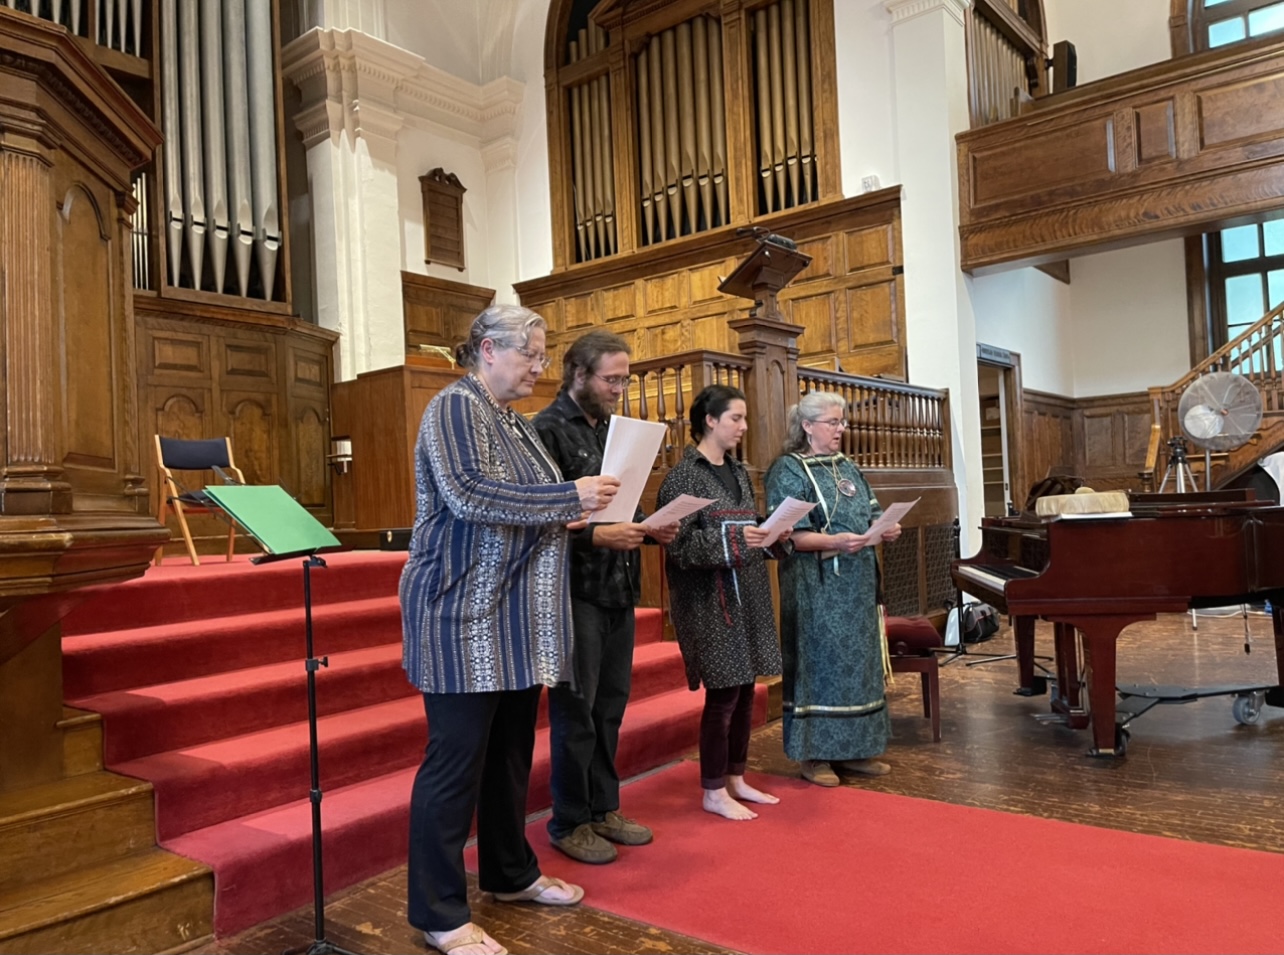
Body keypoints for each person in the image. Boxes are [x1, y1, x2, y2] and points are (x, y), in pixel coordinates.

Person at [400, 305, 620, 955]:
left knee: (508, 758)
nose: (540, 366)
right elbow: (469, 492)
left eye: (543, 353)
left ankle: (508, 872)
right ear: (488, 350)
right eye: (531, 353)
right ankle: (438, 911)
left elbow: (531, 503)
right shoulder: (453, 407)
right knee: (455, 764)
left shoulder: (514, 423)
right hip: (461, 614)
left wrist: (574, 510)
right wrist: (568, 499)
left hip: (516, 622)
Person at [533, 330, 679, 864]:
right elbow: (540, 519)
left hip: (616, 584)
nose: (620, 388)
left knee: (611, 706)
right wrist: (598, 535)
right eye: (611, 378)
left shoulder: (611, 431)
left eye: (624, 378)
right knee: (578, 709)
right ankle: (568, 820)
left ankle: (602, 807)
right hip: (573, 590)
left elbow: (614, 507)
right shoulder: (545, 431)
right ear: (578, 374)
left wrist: (647, 526)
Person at [656, 384, 787, 822]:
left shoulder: (738, 471)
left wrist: (771, 534)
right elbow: (678, 546)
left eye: (744, 418)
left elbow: (748, 531)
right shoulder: (683, 476)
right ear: (710, 420)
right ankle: (712, 788)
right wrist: (736, 537)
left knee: (747, 689)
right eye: (736, 418)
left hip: (746, 592)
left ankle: (735, 777)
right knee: (724, 695)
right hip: (709, 601)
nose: (743, 427)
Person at [763, 391, 902, 788]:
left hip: (857, 585)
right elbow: (789, 535)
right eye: (832, 422)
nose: (841, 428)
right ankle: (814, 755)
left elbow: (871, 511)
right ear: (807, 426)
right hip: (815, 586)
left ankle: (855, 750)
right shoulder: (788, 470)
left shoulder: (847, 465)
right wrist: (837, 542)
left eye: (842, 422)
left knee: (859, 667)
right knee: (819, 666)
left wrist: (886, 527)